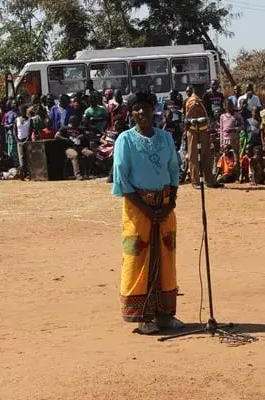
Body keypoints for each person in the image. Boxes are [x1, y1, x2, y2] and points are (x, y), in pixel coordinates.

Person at [111, 91, 182, 335]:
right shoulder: (125, 140)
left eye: (146, 108)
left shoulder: (166, 138)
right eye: (137, 109)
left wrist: (170, 203)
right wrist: (146, 209)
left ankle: (165, 314)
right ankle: (142, 316)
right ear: (131, 113)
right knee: (138, 255)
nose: (142, 113)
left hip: (164, 208)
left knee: (165, 256)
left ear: (154, 110)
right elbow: (122, 179)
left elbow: (173, 169)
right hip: (137, 209)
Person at [184, 83, 223, 190]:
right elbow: (187, 121)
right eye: (203, 90)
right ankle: (195, 181)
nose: (204, 91)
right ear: (197, 90)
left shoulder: (199, 100)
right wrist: (198, 121)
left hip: (203, 131)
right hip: (194, 133)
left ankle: (210, 181)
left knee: (207, 156)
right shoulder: (193, 102)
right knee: (194, 157)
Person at [55, 115, 94, 180]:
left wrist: (83, 135)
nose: (78, 123)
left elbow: (89, 134)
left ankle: (88, 173)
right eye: (76, 122)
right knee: (74, 155)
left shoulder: (79, 129)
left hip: (79, 147)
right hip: (69, 148)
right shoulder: (64, 128)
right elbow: (56, 136)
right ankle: (78, 175)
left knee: (90, 154)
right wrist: (66, 139)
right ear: (71, 122)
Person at [15, 105, 32, 178]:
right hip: (19, 140)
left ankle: (29, 173)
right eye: (21, 110)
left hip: (27, 140)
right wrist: (17, 140)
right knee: (21, 157)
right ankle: (23, 173)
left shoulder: (30, 119)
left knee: (28, 156)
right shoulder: (17, 120)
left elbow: (30, 131)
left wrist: (27, 139)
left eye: (24, 110)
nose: (23, 112)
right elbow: (14, 130)